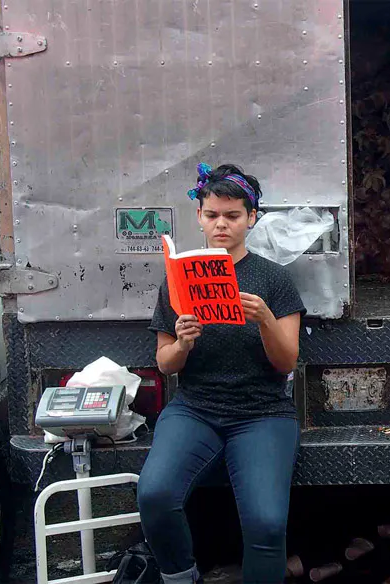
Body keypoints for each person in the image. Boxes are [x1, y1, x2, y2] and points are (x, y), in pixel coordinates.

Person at [136, 163, 305, 584]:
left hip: (262, 412)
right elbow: (165, 363)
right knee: (155, 495)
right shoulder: (178, 279)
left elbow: (286, 363)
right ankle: (180, 576)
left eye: (232, 216)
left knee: (266, 523)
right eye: (212, 215)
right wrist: (183, 342)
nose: (221, 225)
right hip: (195, 408)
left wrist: (265, 318)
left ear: (251, 217)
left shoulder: (274, 279)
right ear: (199, 217)